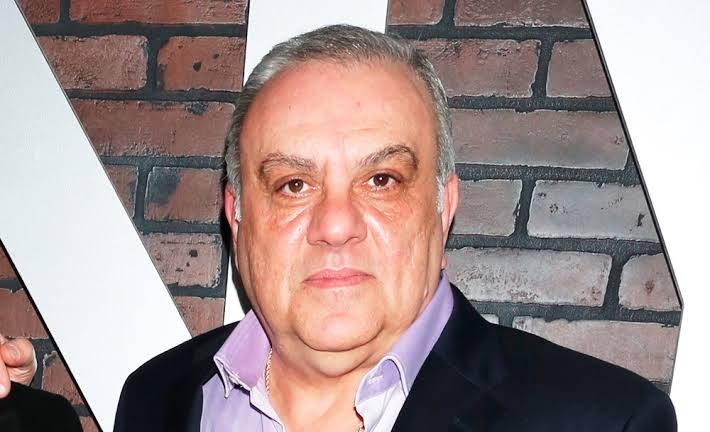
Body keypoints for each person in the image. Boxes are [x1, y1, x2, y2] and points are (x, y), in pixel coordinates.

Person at [3, 25, 676, 431]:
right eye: (293, 185)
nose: (334, 224)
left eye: (381, 179)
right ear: (237, 216)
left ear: (442, 208)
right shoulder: (156, 398)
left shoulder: (603, 421)